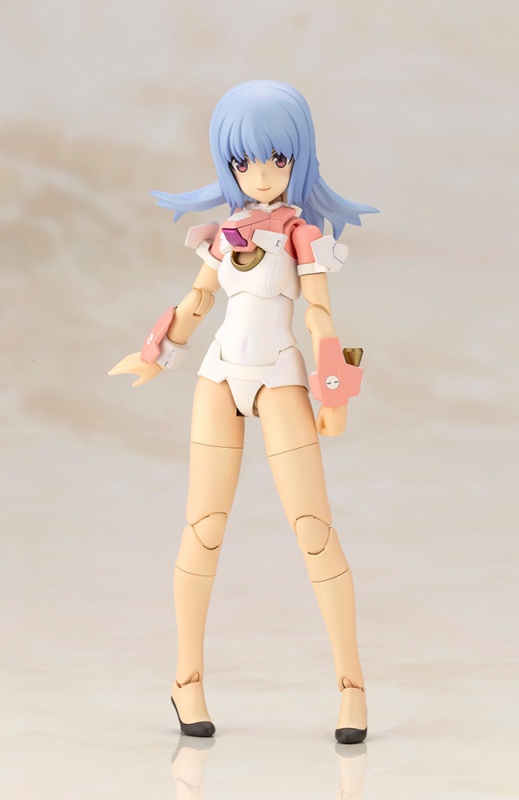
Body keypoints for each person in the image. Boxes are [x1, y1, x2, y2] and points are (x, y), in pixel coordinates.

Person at [109, 80, 378, 743]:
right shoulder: (223, 234)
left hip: (279, 374)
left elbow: (320, 316)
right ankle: (187, 680)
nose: (260, 175)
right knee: (203, 529)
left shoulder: (303, 237)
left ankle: (352, 688)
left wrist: (334, 392)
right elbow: (199, 301)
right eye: (244, 161)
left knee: (313, 528)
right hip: (219, 376)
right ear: (228, 164)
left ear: (298, 158)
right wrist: (155, 352)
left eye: (276, 159)